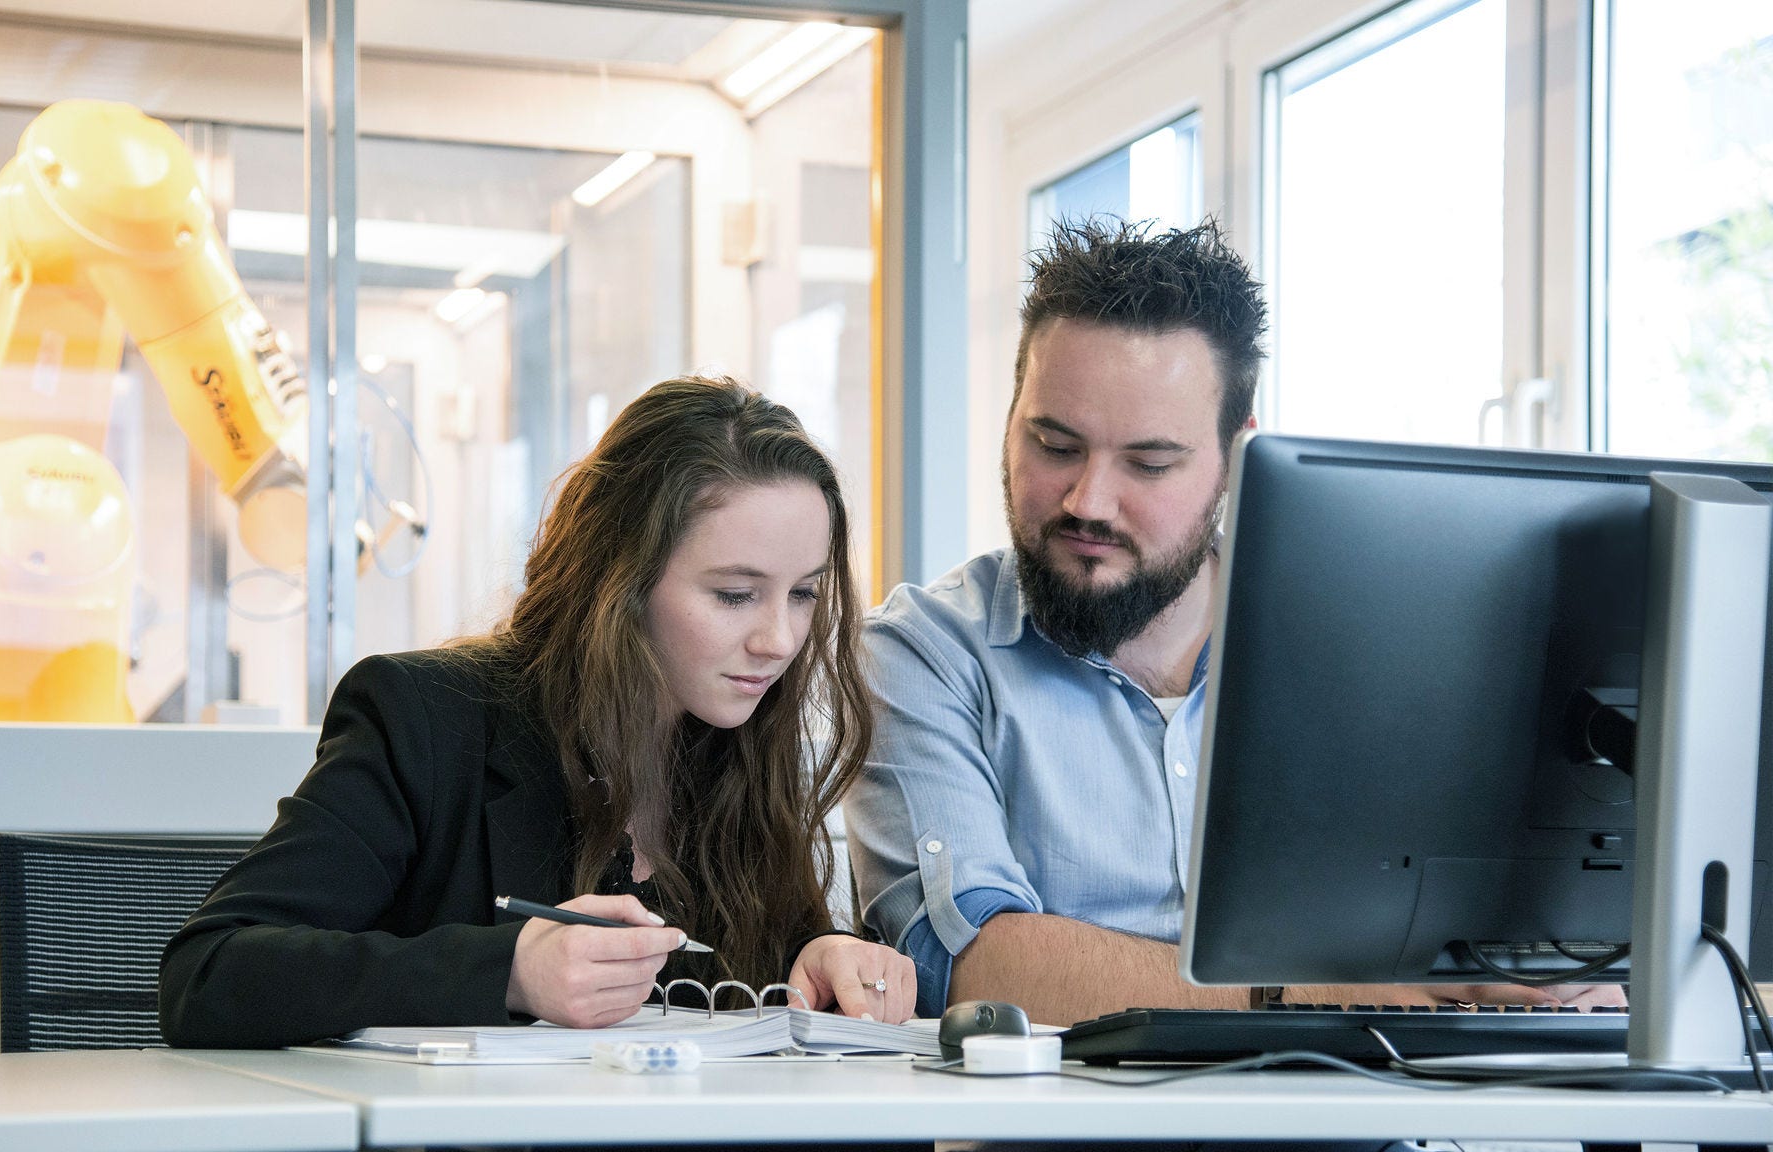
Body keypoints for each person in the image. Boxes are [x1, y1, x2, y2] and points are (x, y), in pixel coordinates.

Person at [844, 218, 1625, 1027]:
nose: (1088, 501)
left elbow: (1460, 930)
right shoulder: (924, 655)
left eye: (1149, 463)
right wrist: (1336, 995)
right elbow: (973, 967)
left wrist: (1536, 974)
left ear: (1236, 457)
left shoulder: (1364, 652)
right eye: (1054, 444)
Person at [161, 375, 916, 1049]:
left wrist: (821, 958)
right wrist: (511, 972)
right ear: (619, 579)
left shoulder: (741, 741)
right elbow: (211, 972)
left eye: (805, 593)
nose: (778, 640)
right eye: (733, 595)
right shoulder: (426, 720)